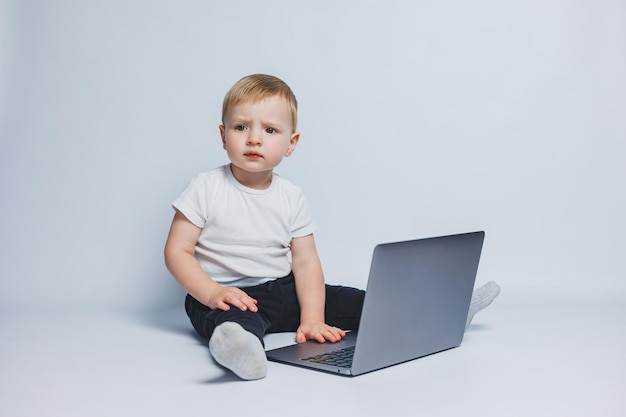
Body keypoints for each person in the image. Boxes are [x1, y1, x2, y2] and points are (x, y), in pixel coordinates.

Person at [164, 74, 500, 381]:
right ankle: (242, 350)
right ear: (223, 136)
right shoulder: (205, 187)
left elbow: (306, 263)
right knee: (235, 321)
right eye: (241, 128)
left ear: (291, 143)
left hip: (285, 290)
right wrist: (211, 293)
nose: (254, 139)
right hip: (228, 294)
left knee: (363, 302)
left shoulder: (290, 195)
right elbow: (177, 251)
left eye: (269, 130)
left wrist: (312, 316)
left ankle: (444, 312)